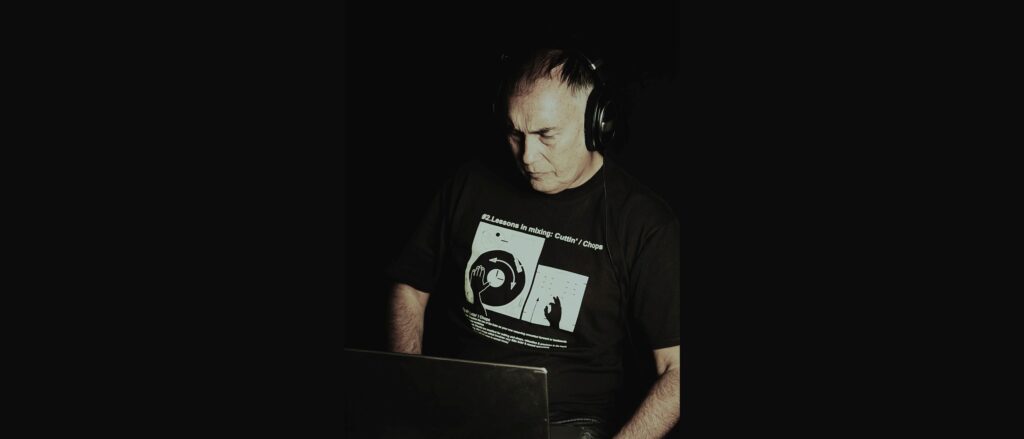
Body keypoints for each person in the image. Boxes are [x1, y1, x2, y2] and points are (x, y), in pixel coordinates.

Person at [385, 44, 680, 438]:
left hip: (565, 424)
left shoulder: (644, 224)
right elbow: (409, 287)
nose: (526, 156)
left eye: (546, 134)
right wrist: (408, 389)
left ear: (597, 124)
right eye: (515, 133)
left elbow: (677, 370)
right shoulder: (470, 182)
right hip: (454, 411)